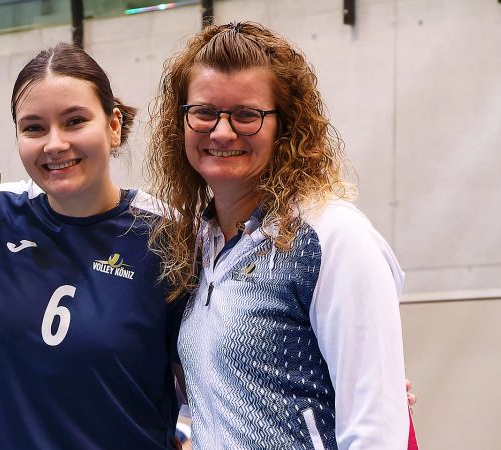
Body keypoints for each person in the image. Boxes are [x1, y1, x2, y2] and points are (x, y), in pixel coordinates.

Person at [146, 21, 412, 449]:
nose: (222, 132)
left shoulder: (333, 237)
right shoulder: (195, 248)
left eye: (247, 115)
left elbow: (376, 429)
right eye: (204, 112)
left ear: (285, 128)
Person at [0, 42, 184, 449]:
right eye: (33, 127)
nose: (54, 144)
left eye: (75, 121)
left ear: (113, 125)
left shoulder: (168, 237)